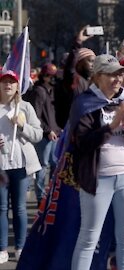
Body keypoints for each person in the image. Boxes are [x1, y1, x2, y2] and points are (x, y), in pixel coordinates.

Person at [70, 55, 124, 270]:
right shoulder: (84, 103)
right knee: (88, 238)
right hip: (98, 179)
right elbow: (82, 144)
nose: (117, 78)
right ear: (97, 77)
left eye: (120, 73)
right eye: (111, 74)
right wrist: (111, 127)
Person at [0, 70, 42, 263]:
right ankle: (2, 249)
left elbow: (38, 134)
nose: (8, 85)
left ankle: (20, 246)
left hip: (21, 165)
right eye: (4, 81)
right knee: (1, 208)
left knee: (19, 208)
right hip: (1, 167)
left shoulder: (24, 107)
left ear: (18, 86)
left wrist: (23, 126)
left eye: (12, 82)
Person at [29, 63, 62, 206]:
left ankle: (51, 193)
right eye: (50, 76)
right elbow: (36, 116)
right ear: (44, 76)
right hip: (44, 136)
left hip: (55, 134)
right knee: (43, 165)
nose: (53, 78)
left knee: (55, 165)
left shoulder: (51, 91)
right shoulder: (39, 91)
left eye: (54, 76)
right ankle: (41, 197)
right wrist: (47, 131)